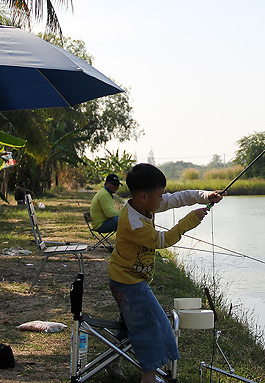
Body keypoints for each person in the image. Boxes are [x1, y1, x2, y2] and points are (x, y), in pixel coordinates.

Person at [108, 163, 223, 383]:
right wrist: (188, 222)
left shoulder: (144, 205)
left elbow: (178, 198)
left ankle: (113, 362)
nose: (163, 199)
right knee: (154, 325)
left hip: (128, 278)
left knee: (129, 324)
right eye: (160, 195)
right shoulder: (133, 222)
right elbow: (161, 240)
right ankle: (149, 376)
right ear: (144, 196)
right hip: (128, 283)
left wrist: (205, 195)